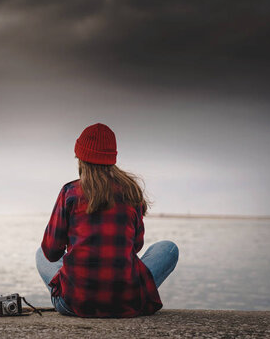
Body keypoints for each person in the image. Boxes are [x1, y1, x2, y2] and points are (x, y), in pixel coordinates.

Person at [36, 123, 178, 317]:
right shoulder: (131, 191)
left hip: (74, 304)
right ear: (112, 158)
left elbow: (51, 252)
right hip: (127, 302)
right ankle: (130, 292)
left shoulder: (70, 192)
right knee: (169, 248)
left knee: (40, 254)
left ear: (81, 159)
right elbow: (136, 246)